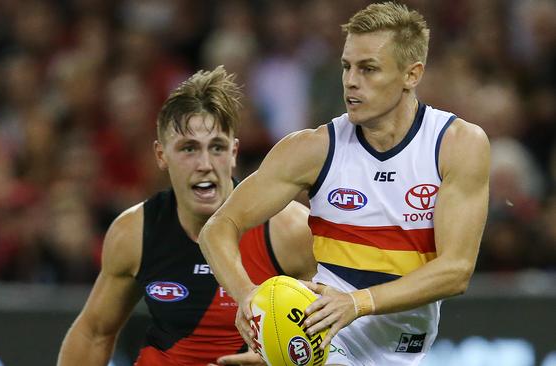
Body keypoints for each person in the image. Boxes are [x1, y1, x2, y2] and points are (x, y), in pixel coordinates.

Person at [198, 3, 490, 366]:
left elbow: (456, 270)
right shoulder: (313, 149)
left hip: (406, 345)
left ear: (411, 75)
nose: (351, 81)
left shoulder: (456, 144)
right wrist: (248, 299)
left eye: (368, 69)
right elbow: (218, 227)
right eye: (346, 66)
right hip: (327, 336)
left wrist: (356, 303)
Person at [57, 66, 315, 366]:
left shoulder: (289, 229)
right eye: (189, 148)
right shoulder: (136, 232)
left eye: (216, 147)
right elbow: (93, 333)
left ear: (234, 153)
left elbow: (346, 338)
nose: (205, 163)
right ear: (160, 155)